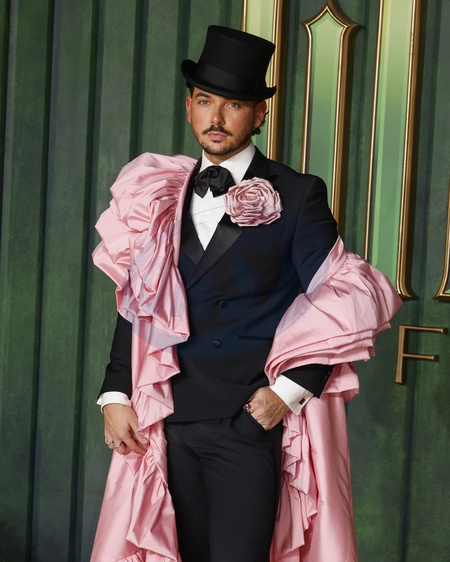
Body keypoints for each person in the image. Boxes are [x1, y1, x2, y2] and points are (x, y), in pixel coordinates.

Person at [91, 25, 401, 562]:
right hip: (166, 418)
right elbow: (139, 300)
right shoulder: (160, 194)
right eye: (204, 101)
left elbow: (348, 296)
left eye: (233, 105)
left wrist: (289, 392)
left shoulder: (297, 194)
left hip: (247, 421)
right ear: (189, 107)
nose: (215, 118)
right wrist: (116, 395)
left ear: (258, 115)